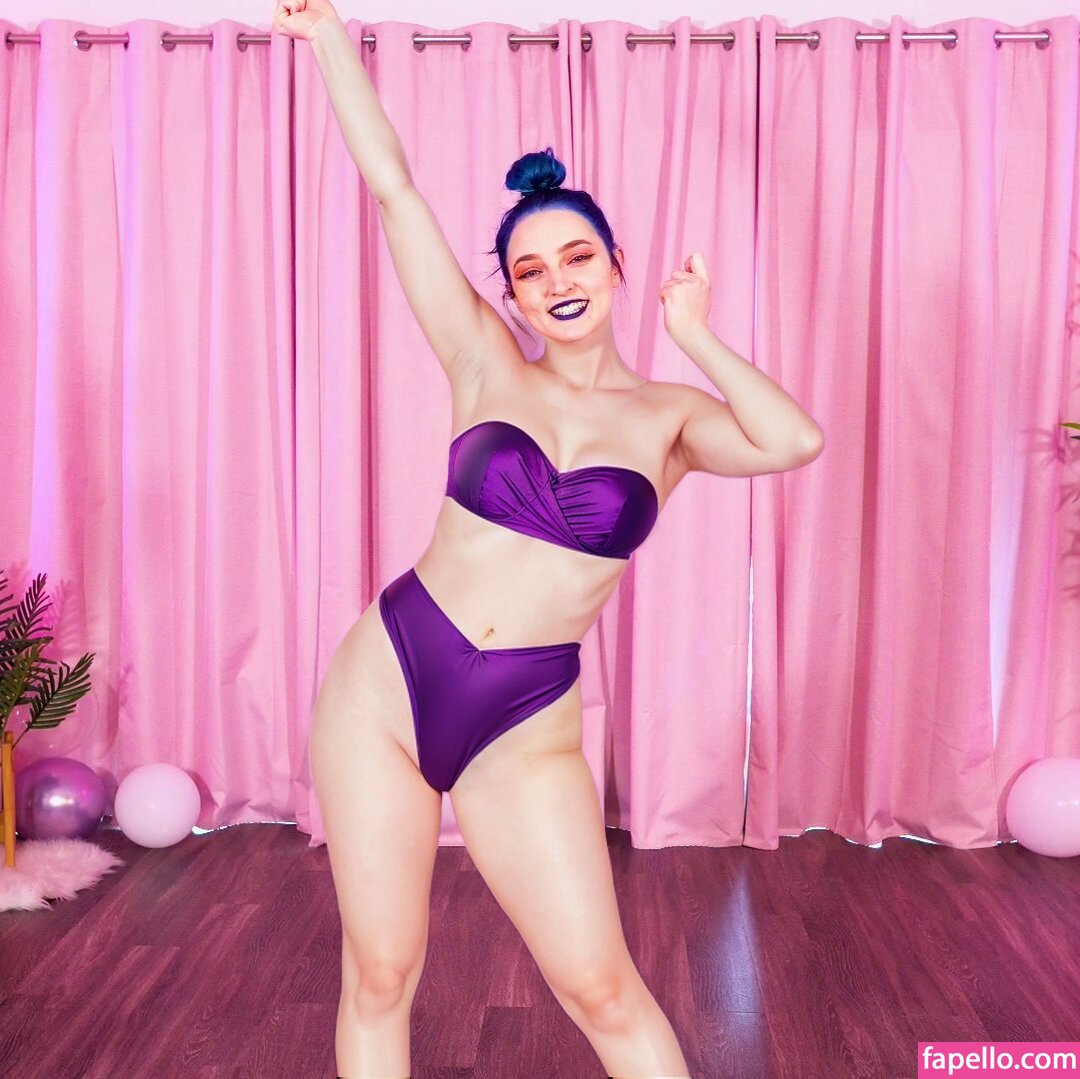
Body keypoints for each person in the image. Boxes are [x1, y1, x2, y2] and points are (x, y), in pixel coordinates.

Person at [274, 2, 823, 1076]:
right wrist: (330, 36)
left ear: (616, 263)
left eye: (577, 257)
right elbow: (395, 190)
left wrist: (697, 334)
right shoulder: (484, 362)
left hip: (523, 719)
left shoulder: (671, 419)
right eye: (532, 270)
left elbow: (793, 439)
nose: (559, 281)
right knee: (379, 973)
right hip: (387, 681)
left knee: (602, 986)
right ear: (513, 293)